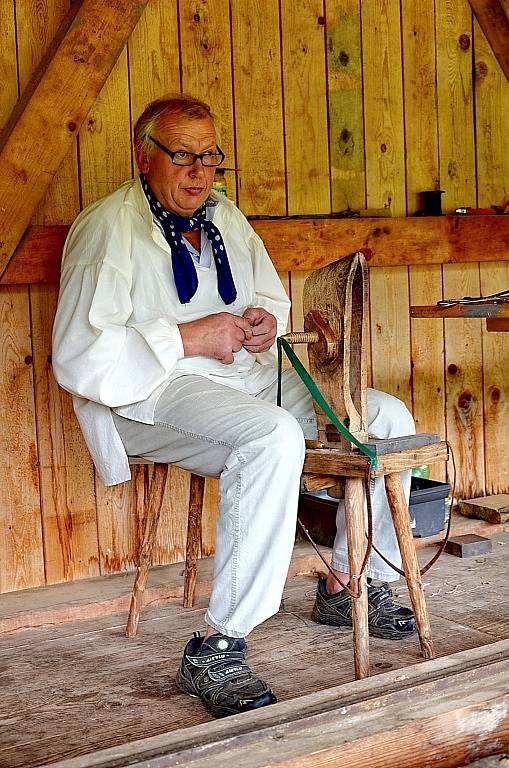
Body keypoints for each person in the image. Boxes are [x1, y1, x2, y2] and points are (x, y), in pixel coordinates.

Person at [52, 93, 416, 720]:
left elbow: (269, 299)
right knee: (271, 437)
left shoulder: (227, 218)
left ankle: (352, 580)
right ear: (146, 157)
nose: (198, 172)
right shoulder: (107, 229)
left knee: (386, 418)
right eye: (183, 156)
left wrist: (258, 323)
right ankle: (219, 645)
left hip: (244, 378)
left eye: (210, 157)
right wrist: (192, 336)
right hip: (152, 392)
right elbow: (78, 354)